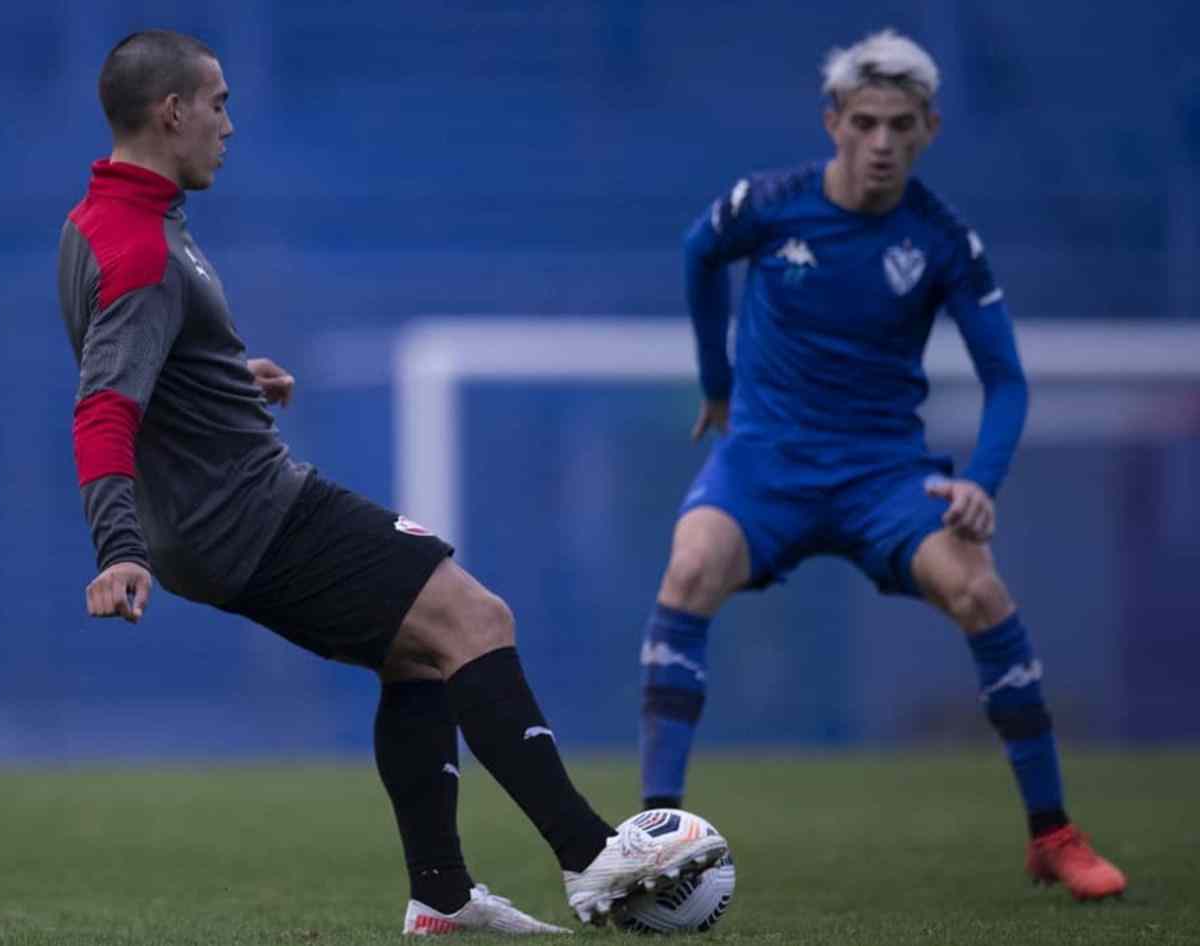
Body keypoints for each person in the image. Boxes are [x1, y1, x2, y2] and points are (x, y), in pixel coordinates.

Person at [58, 30, 727, 934]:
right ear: (171, 111)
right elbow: (103, 405)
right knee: (474, 619)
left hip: (217, 516)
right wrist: (117, 548)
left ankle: (442, 895)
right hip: (248, 513)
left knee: (415, 654)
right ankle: (589, 852)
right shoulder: (140, 244)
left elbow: (142, 364)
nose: (229, 124)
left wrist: (225, 381)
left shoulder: (99, 222)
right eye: (217, 103)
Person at [637, 29, 1126, 901]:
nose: (882, 143)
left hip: (883, 475)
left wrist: (981, 482)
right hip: (767, 462)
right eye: (865, 122)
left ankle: (1053, 835)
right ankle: (653, 840)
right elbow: (696, 251)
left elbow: (1007, 379)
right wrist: (717, 382)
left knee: (980, 590)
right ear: (833, 120)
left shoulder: (942, 241)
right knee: (690, 566)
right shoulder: (769, 204)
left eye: (902, 124)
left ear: (930, 127)